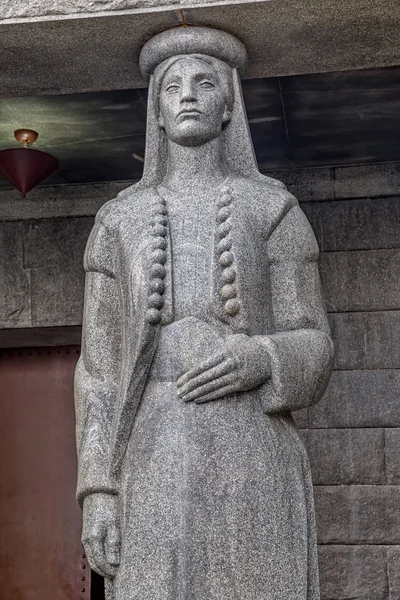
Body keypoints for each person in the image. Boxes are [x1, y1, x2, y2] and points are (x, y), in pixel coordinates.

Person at [75, 26, 333, 600]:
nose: (187, 94)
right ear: (158, 112)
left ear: (227, 106)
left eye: (205, 82)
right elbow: (97, 369)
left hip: (251, 450)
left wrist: (264, 355)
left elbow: (315, 340)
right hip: (151, 449)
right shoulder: (118, 222)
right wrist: (97, 488)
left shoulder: (273, 209)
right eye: (171, 87)